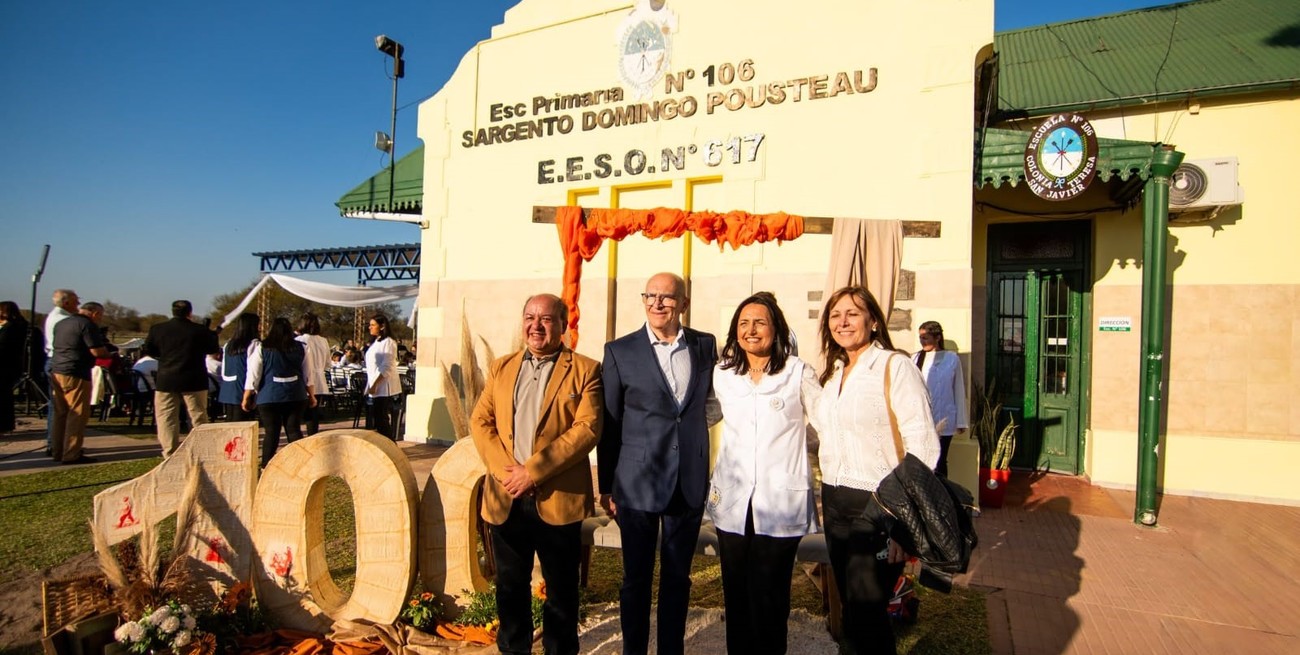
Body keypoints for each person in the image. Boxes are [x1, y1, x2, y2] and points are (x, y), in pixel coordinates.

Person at [469, 293, 603, 655]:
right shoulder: (502, 367)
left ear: (563, 325)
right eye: (530, 317)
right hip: (505, 497)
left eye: (546, 319)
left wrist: (532, 472)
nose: (536, 326)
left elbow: (587, 429)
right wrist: (506, 473)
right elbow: (480, 422)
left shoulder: (586, 370)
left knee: (561, 590)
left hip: (557, 500)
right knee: (509, 587)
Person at [815, 286, 940, 655]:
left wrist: (902, 523)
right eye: (835, 315)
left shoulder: (893, 366)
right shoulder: (835, 375)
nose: (843, 322)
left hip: (880, 506)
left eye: (852, 314)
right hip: (836, 502)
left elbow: (923, 446)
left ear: (872, 321)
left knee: (868, 614)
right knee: (852, 613)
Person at [598, 272, 717, 655]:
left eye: (667, 297)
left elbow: (706, 405)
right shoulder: (620, 351)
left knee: (678, 578)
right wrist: (606, 484)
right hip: (636, 482)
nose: (657, 304)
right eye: (650, 296)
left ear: (683, 303)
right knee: (636, 579)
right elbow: (610, 423)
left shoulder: (704, 345)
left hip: (688, 480)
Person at [706, 292, 819, 655]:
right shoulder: (723, 374)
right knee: (735, 593)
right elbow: (703, 417)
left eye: (760, 322)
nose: (750, 330)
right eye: (743, 323)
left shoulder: (797, 372)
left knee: (771, 594)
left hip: (779, 500)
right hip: (734, 501)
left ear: (776, 328)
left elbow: (827, 424)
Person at [143, 300, 221, 457]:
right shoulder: (199, 330)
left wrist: (163, 358)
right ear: (190, 313)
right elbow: (213, 349)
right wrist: (212, 335)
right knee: (197, 416)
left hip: (166, 377)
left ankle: (169, 451)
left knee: (166, 417)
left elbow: (148, 349)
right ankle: (200, 450)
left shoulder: (158, 329)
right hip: (194, 378)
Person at [242, 317, 315, 467]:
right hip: (296, 395)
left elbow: (254, 374)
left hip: (269, 396)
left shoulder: (262, 348)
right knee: (294, 430)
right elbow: (308, 374)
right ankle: (301, 465)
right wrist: (311, 395)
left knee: (271, 432)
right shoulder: (302, 347)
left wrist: (247, 396)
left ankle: (266, 465)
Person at [50, 300, 110, 464]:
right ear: (95, 313)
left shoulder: (62, 323)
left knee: (60, 413)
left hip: (57, 369)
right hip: (76, 372)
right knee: (77, 414)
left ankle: (57, 449)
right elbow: (97, 351)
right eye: (101, 316)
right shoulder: (87, 325)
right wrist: (108, 353)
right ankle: (71, 453)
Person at [913, 320, 968, 477]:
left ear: (937, 337)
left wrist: (961, 421)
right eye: (920, 337)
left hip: (945, 418)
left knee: (940, 460)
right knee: (923, 460)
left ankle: (943, 495)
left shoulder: (952, 359)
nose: (922, 341)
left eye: (925, 337)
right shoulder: (915, 358)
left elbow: (958, 390)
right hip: (922, 419)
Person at [43, 289, 80, 454]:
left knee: (57, 406)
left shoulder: (55, 316)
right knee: (61, 407)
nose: (78, 305)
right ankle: (56, 443)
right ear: (66, 303)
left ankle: (57, 443)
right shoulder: (64, 320)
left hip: (55, 360)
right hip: (61, 361)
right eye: (76, 301)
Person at [364, 313, 401, 439]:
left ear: (382, 326)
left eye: (373, 325)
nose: (370, 327)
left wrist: (375, 384)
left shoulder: (389, 342)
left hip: (383, 387)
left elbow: (387, 366)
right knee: (378, 420)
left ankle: (390, 446)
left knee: (382, 420)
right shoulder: (376, 342)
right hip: (375, 386)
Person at [219, 313, 260, 421]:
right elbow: (254, 370)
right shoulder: (254, 344)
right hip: (244, 387)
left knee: (230, 422)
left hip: (228, 387)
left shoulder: (228, 344)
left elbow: (224, 369)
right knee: (242, 424)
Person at [295, 313, 331, 435]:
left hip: (303, 380)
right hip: (320, 381)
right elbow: (328, 363)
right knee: (313, 415)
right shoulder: (324, 341)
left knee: (299, 415)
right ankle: (313, 437)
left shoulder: (299, 340)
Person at [0, 301, 31, 434]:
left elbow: (3, 346)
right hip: (10, 366)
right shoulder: (18, 326)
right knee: (5, 396)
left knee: (3, 396)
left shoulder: (11, 328)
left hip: (5, 366)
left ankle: (3, 424)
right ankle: (6, 424)